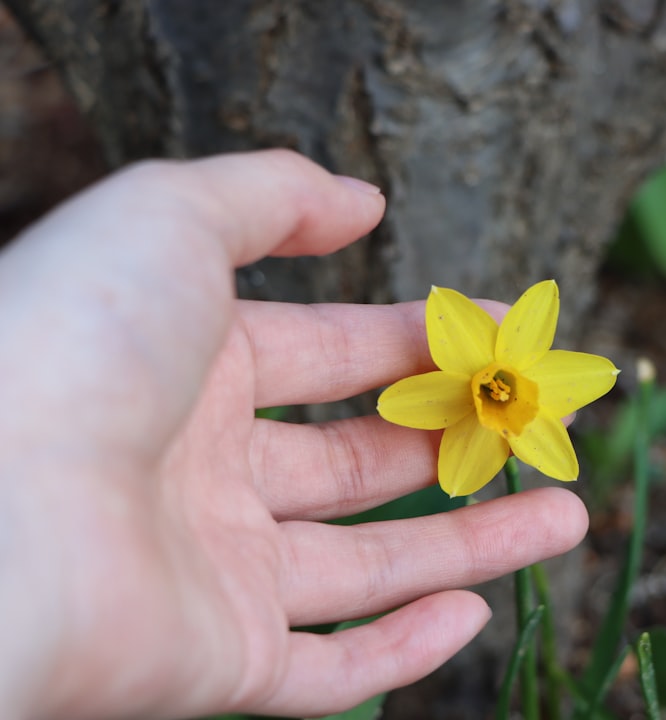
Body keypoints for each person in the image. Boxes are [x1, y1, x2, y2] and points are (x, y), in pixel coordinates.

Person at [0, 150, 589, 719]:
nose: (501, 392)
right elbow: (419, 416)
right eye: (498, 388)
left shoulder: (508, 404)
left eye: (502, 392)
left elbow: (502, 442)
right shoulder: (448, 370)